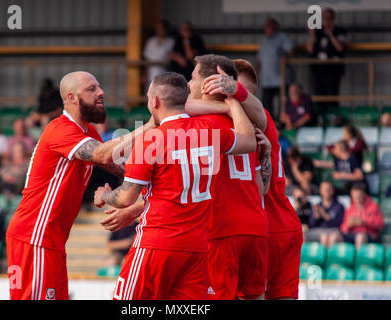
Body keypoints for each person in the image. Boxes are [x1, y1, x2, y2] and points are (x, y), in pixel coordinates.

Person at [94, 71, 256, 300]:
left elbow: (125, 198)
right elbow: (248, 141)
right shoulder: (210, 132)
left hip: (156, 243)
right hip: (196, 247)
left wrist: (105, 194)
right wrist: (232, 103)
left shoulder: (151, 139)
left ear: (154, 102)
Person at [5, 71, 155, 300]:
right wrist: (150, 126)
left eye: (99, 87)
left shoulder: (87, 131)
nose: (101, 92)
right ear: (72, 97)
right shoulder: (60, 129)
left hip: (50, 238)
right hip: (34, 235)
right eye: (92, 89)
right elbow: (104, 155)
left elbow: (121, 167)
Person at [183, 58, 302, 300]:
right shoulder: (249, 125)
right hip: (270, 224)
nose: (231, 94)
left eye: (236, 88)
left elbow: (175, 108)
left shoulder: (210, 122)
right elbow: (262, 186)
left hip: (241, 227)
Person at [190, 56, 270, 300]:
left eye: (193, 78)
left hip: (221, 229)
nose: (188, 84)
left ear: (206, 85)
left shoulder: (197, 124)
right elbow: (259, 189)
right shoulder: (248, 126)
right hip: (256, 226)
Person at [306, 8, 347, 112]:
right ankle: (320, 118)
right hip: (319, 69)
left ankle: (333, 117)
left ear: (333, 19)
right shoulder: (318, 32)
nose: (327, 21)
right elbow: (310, 49)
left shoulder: (339, 31)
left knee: (332, 96)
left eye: (329, 18)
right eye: (325, 18)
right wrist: (311, 34)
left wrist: (331, 34)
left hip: (333, 70)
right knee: (319, 96)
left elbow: (340, 47)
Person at [256, 18, 295, 120]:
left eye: (268, 26)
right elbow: (259, 58)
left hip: (280, 77)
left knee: (283, 102)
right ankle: (270, 121)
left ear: (275, 26)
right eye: (265, 26)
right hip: (267, 79)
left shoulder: (282, 37)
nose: (266, 28)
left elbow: (291, 49)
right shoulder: (265, 40)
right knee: (266, 102)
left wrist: (286, 57)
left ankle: (282, 121)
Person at [330, 183, 384, 249]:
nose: (357, 198)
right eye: (354, 196)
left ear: (364, 194)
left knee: (360, 237)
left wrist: (364, 221)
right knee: (334, 236)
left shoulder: (373, 206)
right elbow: (343, 228)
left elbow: (380, 224)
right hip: (352, 234)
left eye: (359, 196)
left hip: (368, 234)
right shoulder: (350, 208)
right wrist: (349, 225)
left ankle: (358, 259)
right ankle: (334, 258)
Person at [307, 181, 344, 246]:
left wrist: (324, 215)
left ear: (333, 190)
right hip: (318, 231)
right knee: (301, 235)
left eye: (329, 188)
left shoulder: (339, 206)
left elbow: (338, 224)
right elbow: (311, 225)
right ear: (320, 191)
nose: (327, 191)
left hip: (333, 231)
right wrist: (316, 217)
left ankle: (327, 256)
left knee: (327, 237)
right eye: (325, 189)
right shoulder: (317, 206)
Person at [143, 20, 175, 85]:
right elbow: (146, 59)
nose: (159, 30)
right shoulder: (151, 41)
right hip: (151, 76)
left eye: (161, 28)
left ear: (166, 29)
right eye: (157, 28)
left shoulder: (171, 41)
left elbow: (173, 57)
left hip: (166, 76)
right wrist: (144, 75)